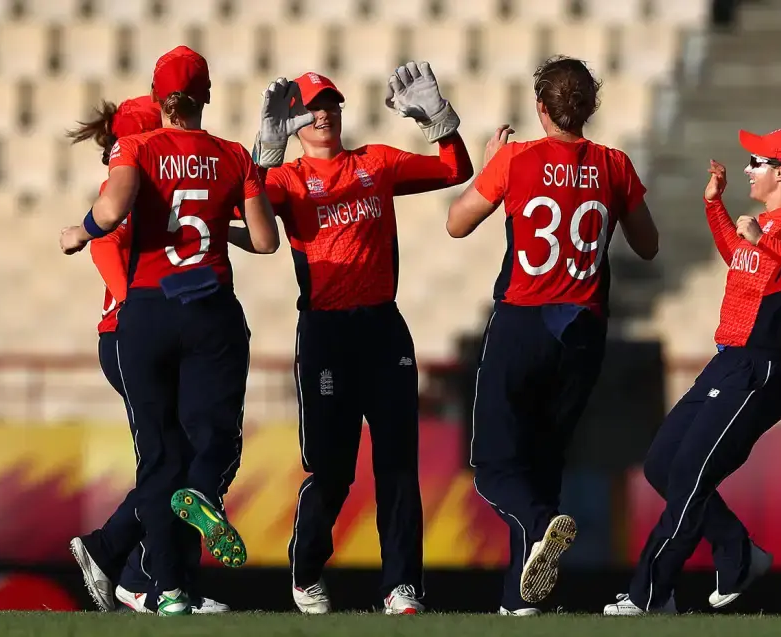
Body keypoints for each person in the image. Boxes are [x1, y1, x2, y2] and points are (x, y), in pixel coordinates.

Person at [243, 62, 473, 615]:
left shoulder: (377, 161)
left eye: (331, 103)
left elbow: (454, 170)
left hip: (382, 328)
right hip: (325, 333)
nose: (324, 113)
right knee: (333, 469)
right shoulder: (285, 180)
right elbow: (242, 208)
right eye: (312, 106)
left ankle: (401, 586)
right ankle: (306, 570)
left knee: (397, 463)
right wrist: (263, 155)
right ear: (294, 121)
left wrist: (438, 120)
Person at [60, 45, 281, 615]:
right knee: (214, 444)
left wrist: (78, 231)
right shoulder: (234, 156)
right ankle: (202, 499)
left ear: (159, 99)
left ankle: (170, 592)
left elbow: (110, 214)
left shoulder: (136, 146)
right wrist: (216, 224)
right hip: (210, 309)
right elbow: (264, 241)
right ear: (207, 95)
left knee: (157, 459)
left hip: (147, 312)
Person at [603, 127, 781, 616]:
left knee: (691, 474)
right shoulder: (766, 223)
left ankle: (649, 596)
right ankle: (738, 553)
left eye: (756, 161)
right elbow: (740, 257)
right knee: (661, 465)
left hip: (763, 368)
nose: (746, 169)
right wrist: (714, 207)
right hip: (730, 362)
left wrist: (764, 240)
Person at [446, 55, 659, 616]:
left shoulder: (517, 160)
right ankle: (522, 598)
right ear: (590, 107)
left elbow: (458, 221)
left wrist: (490, 166)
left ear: (541, 108)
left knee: (494, 468)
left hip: (523, 322)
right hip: (584, 331)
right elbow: (648, 245)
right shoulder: (614, 164)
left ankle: (540, 527)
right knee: (544, 461)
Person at [64, 95, 228, 614]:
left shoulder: (141, 199)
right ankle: (140, 573)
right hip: (131, 338)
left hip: (142, 335)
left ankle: (136, 568)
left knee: (179, 461)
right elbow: (131, 289)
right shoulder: (119, 208)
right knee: (177, 461)